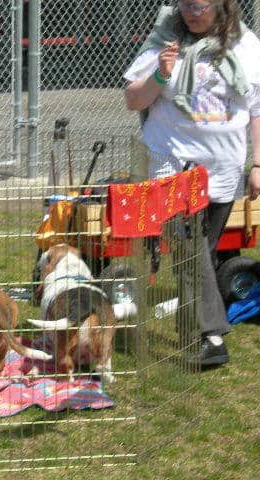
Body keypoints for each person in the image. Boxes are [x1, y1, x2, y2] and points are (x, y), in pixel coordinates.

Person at [123, 0, 260, 367]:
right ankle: (210, 336)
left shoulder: (245, 45)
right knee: (188, 248)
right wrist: (160, 75)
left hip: (225, 167)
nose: (191, 13)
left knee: (201, 253)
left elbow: (257, 108)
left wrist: (258, 163)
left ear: (221, 6)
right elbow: (133, 100)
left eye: (199, 6)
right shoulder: (163, 41)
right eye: (185, 5)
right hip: (173, 162)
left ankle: (192, 332)